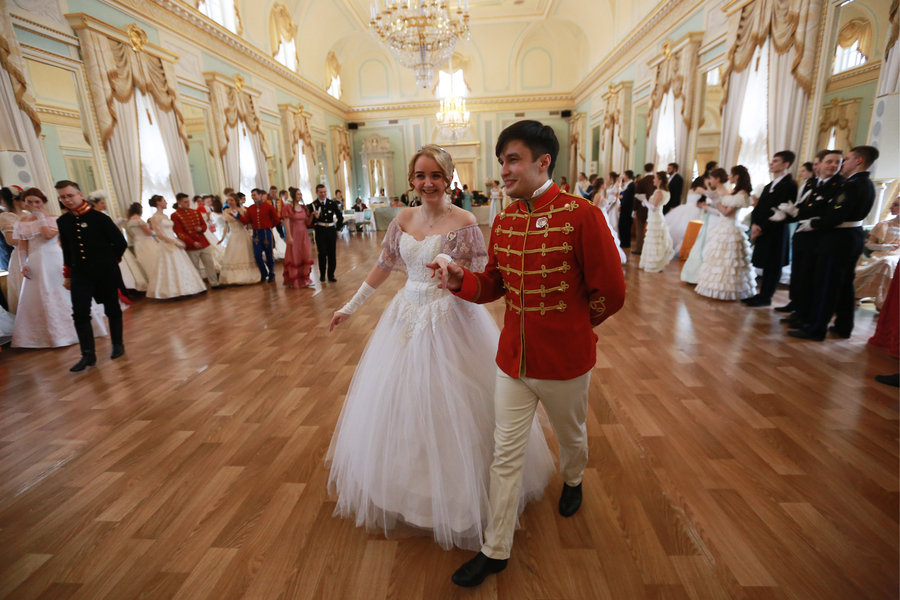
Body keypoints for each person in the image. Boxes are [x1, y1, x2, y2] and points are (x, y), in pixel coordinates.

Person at [326, 144, 557, 553]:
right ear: (412, 181)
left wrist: (454, 270)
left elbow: (484, 271)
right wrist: (350, 306)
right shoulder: (402, 218)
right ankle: (404, 487)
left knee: (456, 398)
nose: (427, 183)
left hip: (450, 316)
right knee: (401, 399)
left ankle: (461, 491)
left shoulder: (465, 221)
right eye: (420, 176)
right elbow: (384, 265)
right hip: (404, 316)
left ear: (448, 178)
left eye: (435, 175)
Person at [430, 120, 626, 587]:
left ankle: (574, 478)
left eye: (513, 159)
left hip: (564, 361)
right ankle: (495, 549)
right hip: (512, 361)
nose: (505, 169)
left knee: (571, 436)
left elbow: (611, 292)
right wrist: (462, 281)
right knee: (505, 454)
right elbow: (495, 283)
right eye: (502, 160)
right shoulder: (506, 219)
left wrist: (571, 328)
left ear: (543, 162)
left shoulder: (582, 215)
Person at [790, 146, 879, 340]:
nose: (842, 163)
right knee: (845, 286)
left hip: (837, 241)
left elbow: (835, 216)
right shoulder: (867, 183)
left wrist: (813, 223)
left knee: (827, 287)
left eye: (846, 159)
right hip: (852, 238)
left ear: (858, 161)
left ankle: (816, 329)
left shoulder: (851, 185)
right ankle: (843, 326)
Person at [52, 183, 125, 370]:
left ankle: (117, 344)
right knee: (80, 312)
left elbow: (119, 242)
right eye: (62, 197)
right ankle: (88, 355)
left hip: (105, 271)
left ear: (80, 194)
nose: (67, 200)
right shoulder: (63, 221)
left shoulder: (99, 218)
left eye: (70, 195)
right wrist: (68, 275)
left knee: (112, 307)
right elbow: (67, 251)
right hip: (80, 273)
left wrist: (109, 261)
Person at [773, 150, 844, 326]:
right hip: (803, 236)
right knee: (799, 277)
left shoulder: (840, 185)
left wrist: (800, 213)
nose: (833, 166)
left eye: (837, 162)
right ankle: (798, 311)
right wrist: (790, 215)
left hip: (818, 238)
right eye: (829, 162)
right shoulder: (814, 183)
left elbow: (825, 213)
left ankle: (805, 316)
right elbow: (803, 206)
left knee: (810, 280)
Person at [695, 167, 756, 300]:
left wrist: (715, 200)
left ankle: (728, 291)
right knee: (720, 259)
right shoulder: (735, 191)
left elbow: (727, 212)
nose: (728, 177)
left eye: (731, 174)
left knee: (730, 261)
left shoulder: (741, 194)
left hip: (730, 229)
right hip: (723, 228)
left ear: (737, 176)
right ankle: (718, 289)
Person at [746, 151, 798, 307]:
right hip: (762, 229)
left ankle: (766, 296)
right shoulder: (770, 185)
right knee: (766, 264)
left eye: (775, 161)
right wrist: (754, 224)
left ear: (785, 164)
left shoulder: (790, 185)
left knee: (773, 265)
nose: (771, 164)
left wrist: (762, 228)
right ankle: (760, 294)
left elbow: (782, 211)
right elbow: (759, 207)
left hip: (776, 231)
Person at [86, 190, 148, 294]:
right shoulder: (93, 216)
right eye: (102, 203)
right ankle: (125, 287)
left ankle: (132, 286)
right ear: (94, 203)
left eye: (104, 203)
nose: (104, 205)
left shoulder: (104, 214)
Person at [146, 195, 207, 299]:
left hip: (174, 242)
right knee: (170, 267)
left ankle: (186, 289)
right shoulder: (155, 217)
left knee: (181, 266)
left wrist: (177, 240)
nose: (166, 203)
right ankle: (174, 292)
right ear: (158, 203)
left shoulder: (165, 216)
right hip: (167, 245)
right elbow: (159, 234)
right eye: (164, 201)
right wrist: (173, 241)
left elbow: (170, 231)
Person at [855, 197, 900, 310]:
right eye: (892, 204)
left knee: (889, 263)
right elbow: (869, 245)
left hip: (897, 257)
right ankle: (882, 302)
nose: (891, 207)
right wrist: (885, 246)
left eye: (896, 205)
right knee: (886, 262)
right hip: (881, 255)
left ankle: (884, 302)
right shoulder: (883, 225)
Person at [171, 193, 223, 290]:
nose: (187, 204)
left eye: (188, 201)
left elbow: (204, 225)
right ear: (179, 202)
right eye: (185, 202)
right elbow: (179, 232)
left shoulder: (195, 212)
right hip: (191, 245)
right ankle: (200, 286)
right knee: (195, 266)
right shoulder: (175, 215)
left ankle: (214, 283)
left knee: (209, 264)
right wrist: (192, 242)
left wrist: (201, 229)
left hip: (203, 242)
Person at [681, 178, 723, 284]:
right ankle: (694, 275)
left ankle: (705, 275)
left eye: (711, 178)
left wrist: (706, 207)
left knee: (708, 245)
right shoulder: (705, 190)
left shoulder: (720, 193)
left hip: (714, 221)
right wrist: (706, 207)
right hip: (707, 218)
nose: (709, 180)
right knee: (700, 244)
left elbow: (720, 210)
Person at [240, 188, 282, 283]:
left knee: (269, 255)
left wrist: (269, 226)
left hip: (266, 233)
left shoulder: (269, 207)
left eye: (254, 195)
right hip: (256, 234)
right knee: (257, 255)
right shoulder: (250, 208)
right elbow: (247, 221)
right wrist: (238, 216)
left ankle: (271, 274)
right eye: (252, 195)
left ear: (260, 195)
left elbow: (276, 220)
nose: (253, 197)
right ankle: (264, 272)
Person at [218, 193, 259, 286]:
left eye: (231, 200)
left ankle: (246, 276)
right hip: (233, 235)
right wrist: (222, 238)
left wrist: (251, 234)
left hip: (242, 234)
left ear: (236, 201)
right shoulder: (226, 211)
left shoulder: (242, 210)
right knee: (233, 255)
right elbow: (226, 226)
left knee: (244, 254)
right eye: (228, 200)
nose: (230, 202)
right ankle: (232, 278)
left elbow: (247, 223)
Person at [639, 171, 675, 272]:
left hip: (656, 218)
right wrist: (644, 202)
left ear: (660, 180)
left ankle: (654, 264)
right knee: (652, 239)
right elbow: (652, 205)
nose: (653, 180)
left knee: (654, 240)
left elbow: (653, 207)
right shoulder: (662, 192)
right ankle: (651, 263)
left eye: (655, 178)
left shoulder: (659, 192)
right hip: (654, 217)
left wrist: (644, 200)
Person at [282, 188, 315, 289]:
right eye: (298, 194)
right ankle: (294, 280)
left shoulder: (304, 208)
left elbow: (307, 223)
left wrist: (312, 216)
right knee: (294, 256)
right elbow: (286, 223)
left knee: (306, 254)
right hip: (294, 234)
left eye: (301, 194)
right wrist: (289, 236)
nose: (300, 196)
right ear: (293, 196)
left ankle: (305, 279)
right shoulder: (288, 207)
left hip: (303, 234)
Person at [310, 184, 344, 282]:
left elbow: (339, 216)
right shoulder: (313, 205)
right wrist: (314, 217)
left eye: (324, 192)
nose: (323, 194)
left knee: (331, 254)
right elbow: (310, 221)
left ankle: (331, 274)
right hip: (320, 230)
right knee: (322, 253)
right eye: (321, 192)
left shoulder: (331, 203)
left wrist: (337, 227)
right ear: (317, 193)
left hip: (330, 230)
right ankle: (322, 274)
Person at [665, 176, 706, 255]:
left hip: (686, 207)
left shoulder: (691, 189)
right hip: (693, 209)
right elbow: (710, 194)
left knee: (681, 226)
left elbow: (692, 200)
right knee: (689, 228)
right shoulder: (699, 189)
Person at [0, 187, 25, 314]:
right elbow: (10, 240)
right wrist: (33, 238)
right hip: (20, 256)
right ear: (15, 201)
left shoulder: (27, 215)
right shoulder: (6, 216)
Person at [591, 185, 626, 264]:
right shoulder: (598, 195)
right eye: (604, 184)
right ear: (602, 185)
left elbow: (605, 207)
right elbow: (594, 207)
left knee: (610, 233)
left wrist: (610, 202)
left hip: (605, 215)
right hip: (601, 215)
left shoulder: (602, 194)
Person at [125, 202, 159, 281]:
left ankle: (148, 279)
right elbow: (148, 232)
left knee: (143, 261)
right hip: (146, 241)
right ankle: (156, 279)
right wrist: (156, 233)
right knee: (152, 259)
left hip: (137, 242)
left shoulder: (130, 221)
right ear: (140, 209)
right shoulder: (138, 219)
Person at [633, 163, 656, 255]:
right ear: (653, 169)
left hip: (642, 209)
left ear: (645, 170)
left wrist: (634, 210)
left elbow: (637, 196)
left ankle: (639, 248)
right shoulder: (656, 180)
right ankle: (651, 248)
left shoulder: (641, 181)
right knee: (653, 229)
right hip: (655, 209)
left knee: (640, 229)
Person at [618, 170, 635, 250]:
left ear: (627, 176)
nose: (623, 177)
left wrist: (622, 200)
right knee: (623, 225)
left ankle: (625, 243)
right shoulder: (628, 185)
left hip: (627, 209)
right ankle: (623, 242)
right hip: (625, 207)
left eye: (624, 175)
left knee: (625, 225)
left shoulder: (632, 186)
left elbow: (628, 198)